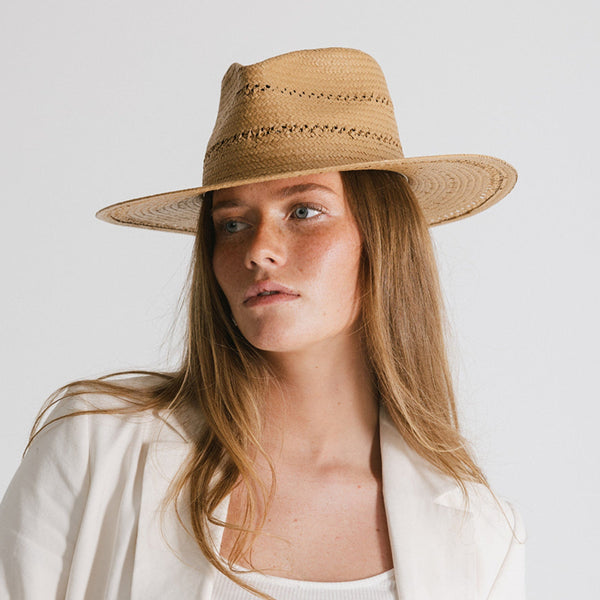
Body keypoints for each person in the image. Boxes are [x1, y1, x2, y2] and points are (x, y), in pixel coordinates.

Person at [0, 47, 526, 599]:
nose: (258, 251)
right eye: (232, 223)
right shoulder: (96, 442)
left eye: (302, 211)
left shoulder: (480, 537)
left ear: (383, 240)